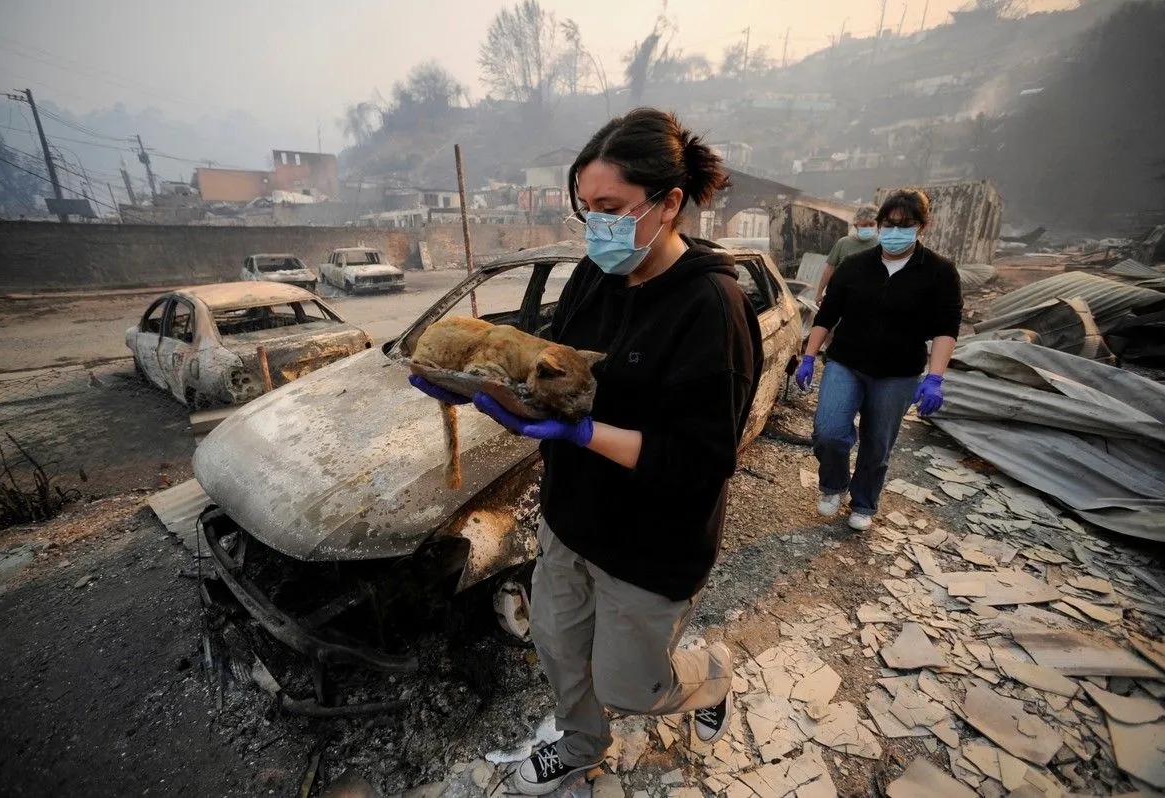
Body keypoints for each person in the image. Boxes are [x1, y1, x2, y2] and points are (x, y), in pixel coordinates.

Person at [410, 108, 764, 795]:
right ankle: (579, 745)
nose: (594, 224)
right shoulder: (596, 275)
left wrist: (582, 433)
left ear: (669, 203)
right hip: (570, 519)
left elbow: (699, 462)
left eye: (610, 207)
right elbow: (552, 364)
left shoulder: (711, 309)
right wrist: (481, 380)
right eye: (585, 208)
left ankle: (711, 677)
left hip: (648, 545)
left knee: (632, 686)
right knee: (561, 654)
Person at [794, 188, 962, 531]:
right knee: (829, 433)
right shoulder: (855, 266)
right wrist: (809, 358)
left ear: (921, 227)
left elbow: (947, 329)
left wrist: (935, 379)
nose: (895, 231)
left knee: (877, 443)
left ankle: (864, 502)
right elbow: (827, 315)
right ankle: (833, 485)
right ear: (880, 225)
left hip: (898, 373)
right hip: (846, 362)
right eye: (889, 223)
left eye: (906, 224)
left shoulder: (939, 273)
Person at [814, 205, 879, 306]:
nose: (868, 228)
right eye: (864, 225)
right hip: (843, 299)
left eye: (871, 224)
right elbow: (829, 269)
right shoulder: (843, 243)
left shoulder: (881, 245)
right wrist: (819, 293)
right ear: (856, 225)